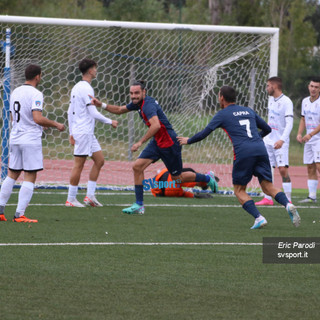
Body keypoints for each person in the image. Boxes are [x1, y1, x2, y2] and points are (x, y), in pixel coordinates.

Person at [178, 85, 301, 229]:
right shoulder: (248, 110)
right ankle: (288, 204)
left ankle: (259, 218)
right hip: (260, 149)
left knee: (239, 190)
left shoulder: (222, 114)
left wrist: (188, 140)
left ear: (222, 98)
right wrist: (255, 139)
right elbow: (267, 129)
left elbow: (205, 133)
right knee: (268, 186)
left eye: (218, 96)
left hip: (243, 152)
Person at [89, 80, 218, 214]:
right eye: (131, 93)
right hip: (157, 142)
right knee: (137, 167)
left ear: (144, 92)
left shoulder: (147, 106)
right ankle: (139, 205)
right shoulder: (138, 103)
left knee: (177, 179)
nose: (133, 96)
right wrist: (101, 104)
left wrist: (140, 142)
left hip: (169, 144)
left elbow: (155, 125)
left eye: (137, 93)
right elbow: (120, 110)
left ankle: (208, 178)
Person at [0, 64, 65, 223]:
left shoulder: (15, 91)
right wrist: (55, 124)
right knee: (30, 175)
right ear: (38, 76)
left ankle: (1, 211)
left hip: (15, 137)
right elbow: (37, 118)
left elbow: (13, 117)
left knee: (12, 174)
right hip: (30, 140)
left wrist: (30, 123)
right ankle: (19, 215)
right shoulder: (36, 93)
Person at [66, 58, 118, 207]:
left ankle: (89, 196)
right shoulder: (86, 88)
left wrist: (71, 132)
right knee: (79, 165)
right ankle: (70, 199)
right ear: (90, 70)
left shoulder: (76, 87)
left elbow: (70, 111)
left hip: (85, 132)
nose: (96, 71)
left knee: (99, 160)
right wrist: (110, 121)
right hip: (83, 132)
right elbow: (93, 112)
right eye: (95, 68)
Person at [256, 77, 293, 206]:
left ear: (274, 86)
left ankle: (288, 198)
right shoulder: (271, 101)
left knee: (282, 170)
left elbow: (289, 124)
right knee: (266, 169)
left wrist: (282, 140)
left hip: (280, 142)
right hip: (268, 141)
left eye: (268, 86)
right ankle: (267, 198)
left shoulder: (286, 102)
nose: (267, 88)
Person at [296, 78, 320, 203]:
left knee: (319, 166)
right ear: (308, 86)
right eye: (312, 86)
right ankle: (312, 196)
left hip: (318, 139)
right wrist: (300, 133)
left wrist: (310, 134)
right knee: (310, 167)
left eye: (316, 87)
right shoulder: (305, 101)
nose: (313, 89)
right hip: (309, 140)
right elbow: (303, 119)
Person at [150, 167, 219, 198]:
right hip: (166, 184)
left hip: (162, 188)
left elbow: (182, 193)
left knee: (190, 175)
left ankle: (205, 179)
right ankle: (206, 179)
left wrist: (194, 196)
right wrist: (195, 196)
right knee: (190, 176)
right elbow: (182, 193)